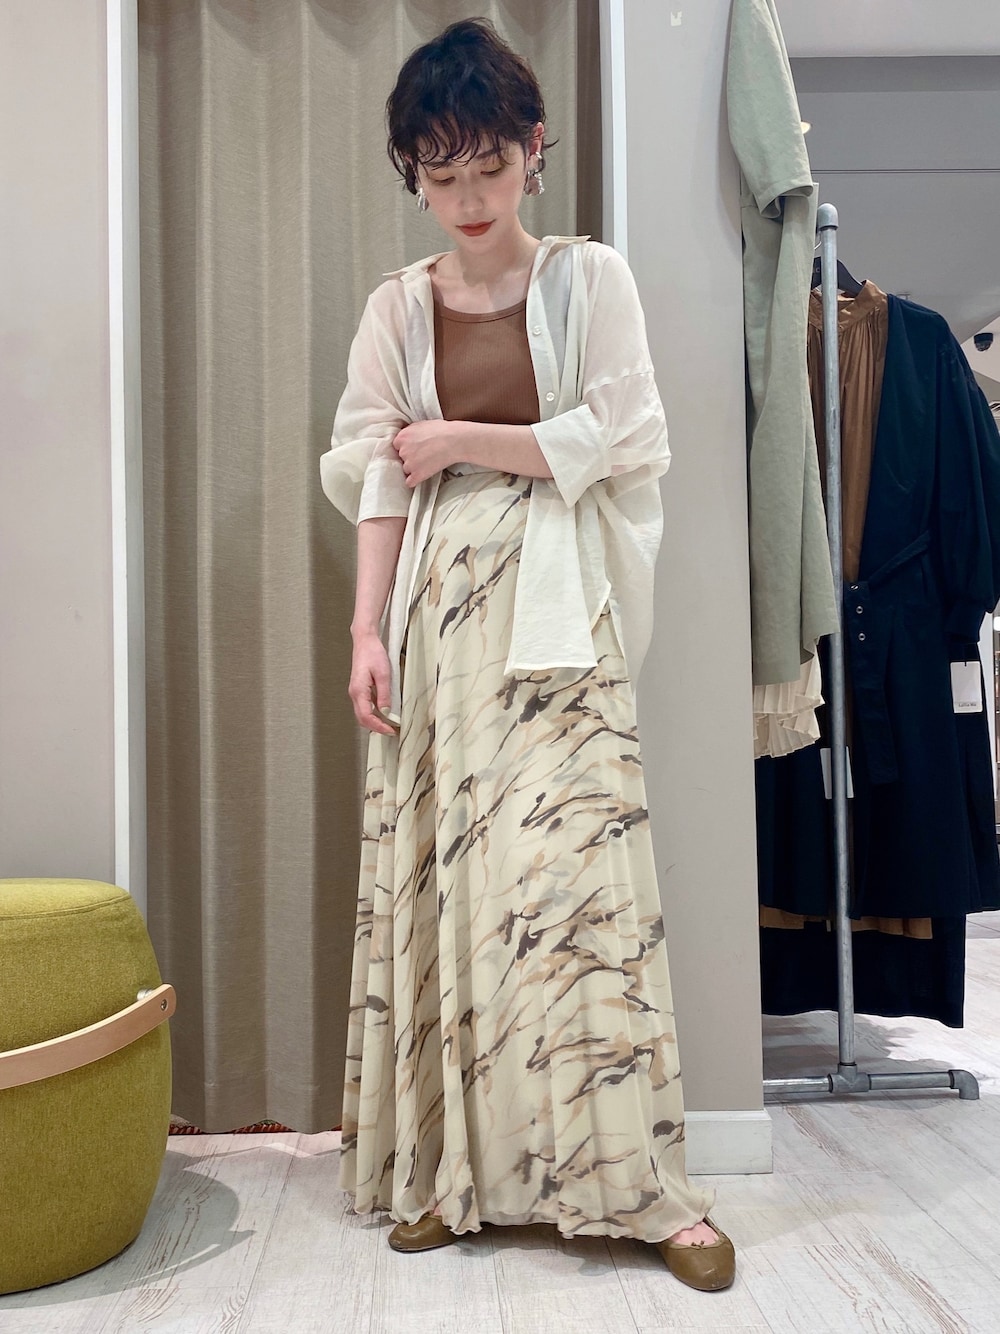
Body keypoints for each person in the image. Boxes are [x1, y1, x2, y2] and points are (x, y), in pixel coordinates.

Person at [319, 17, 735, 1293]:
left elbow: (622, 432)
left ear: (534, 150)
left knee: (583, 890)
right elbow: (377, 478)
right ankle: (454, 1174)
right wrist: (363, 629)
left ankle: (645, 1191)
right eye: (440, 175)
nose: (468, 200)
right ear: (413, 174)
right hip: (438, 619)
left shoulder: (588, 279)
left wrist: (458, 440)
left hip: (562, 615)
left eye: (489, 168)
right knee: (455, 883)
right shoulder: (398, 306)